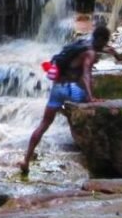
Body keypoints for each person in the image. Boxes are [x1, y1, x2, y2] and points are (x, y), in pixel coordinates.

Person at [20, 25, 112, 176]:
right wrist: (90, 97)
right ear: (102, 40)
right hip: (72, 89)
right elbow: (86, 74)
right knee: (90, 112)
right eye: (105, 42)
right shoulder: (90, 53)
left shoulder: (82, 44)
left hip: (57, 88)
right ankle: (95, 159)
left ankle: (26, 160)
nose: (105, 45)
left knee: (44, 124)